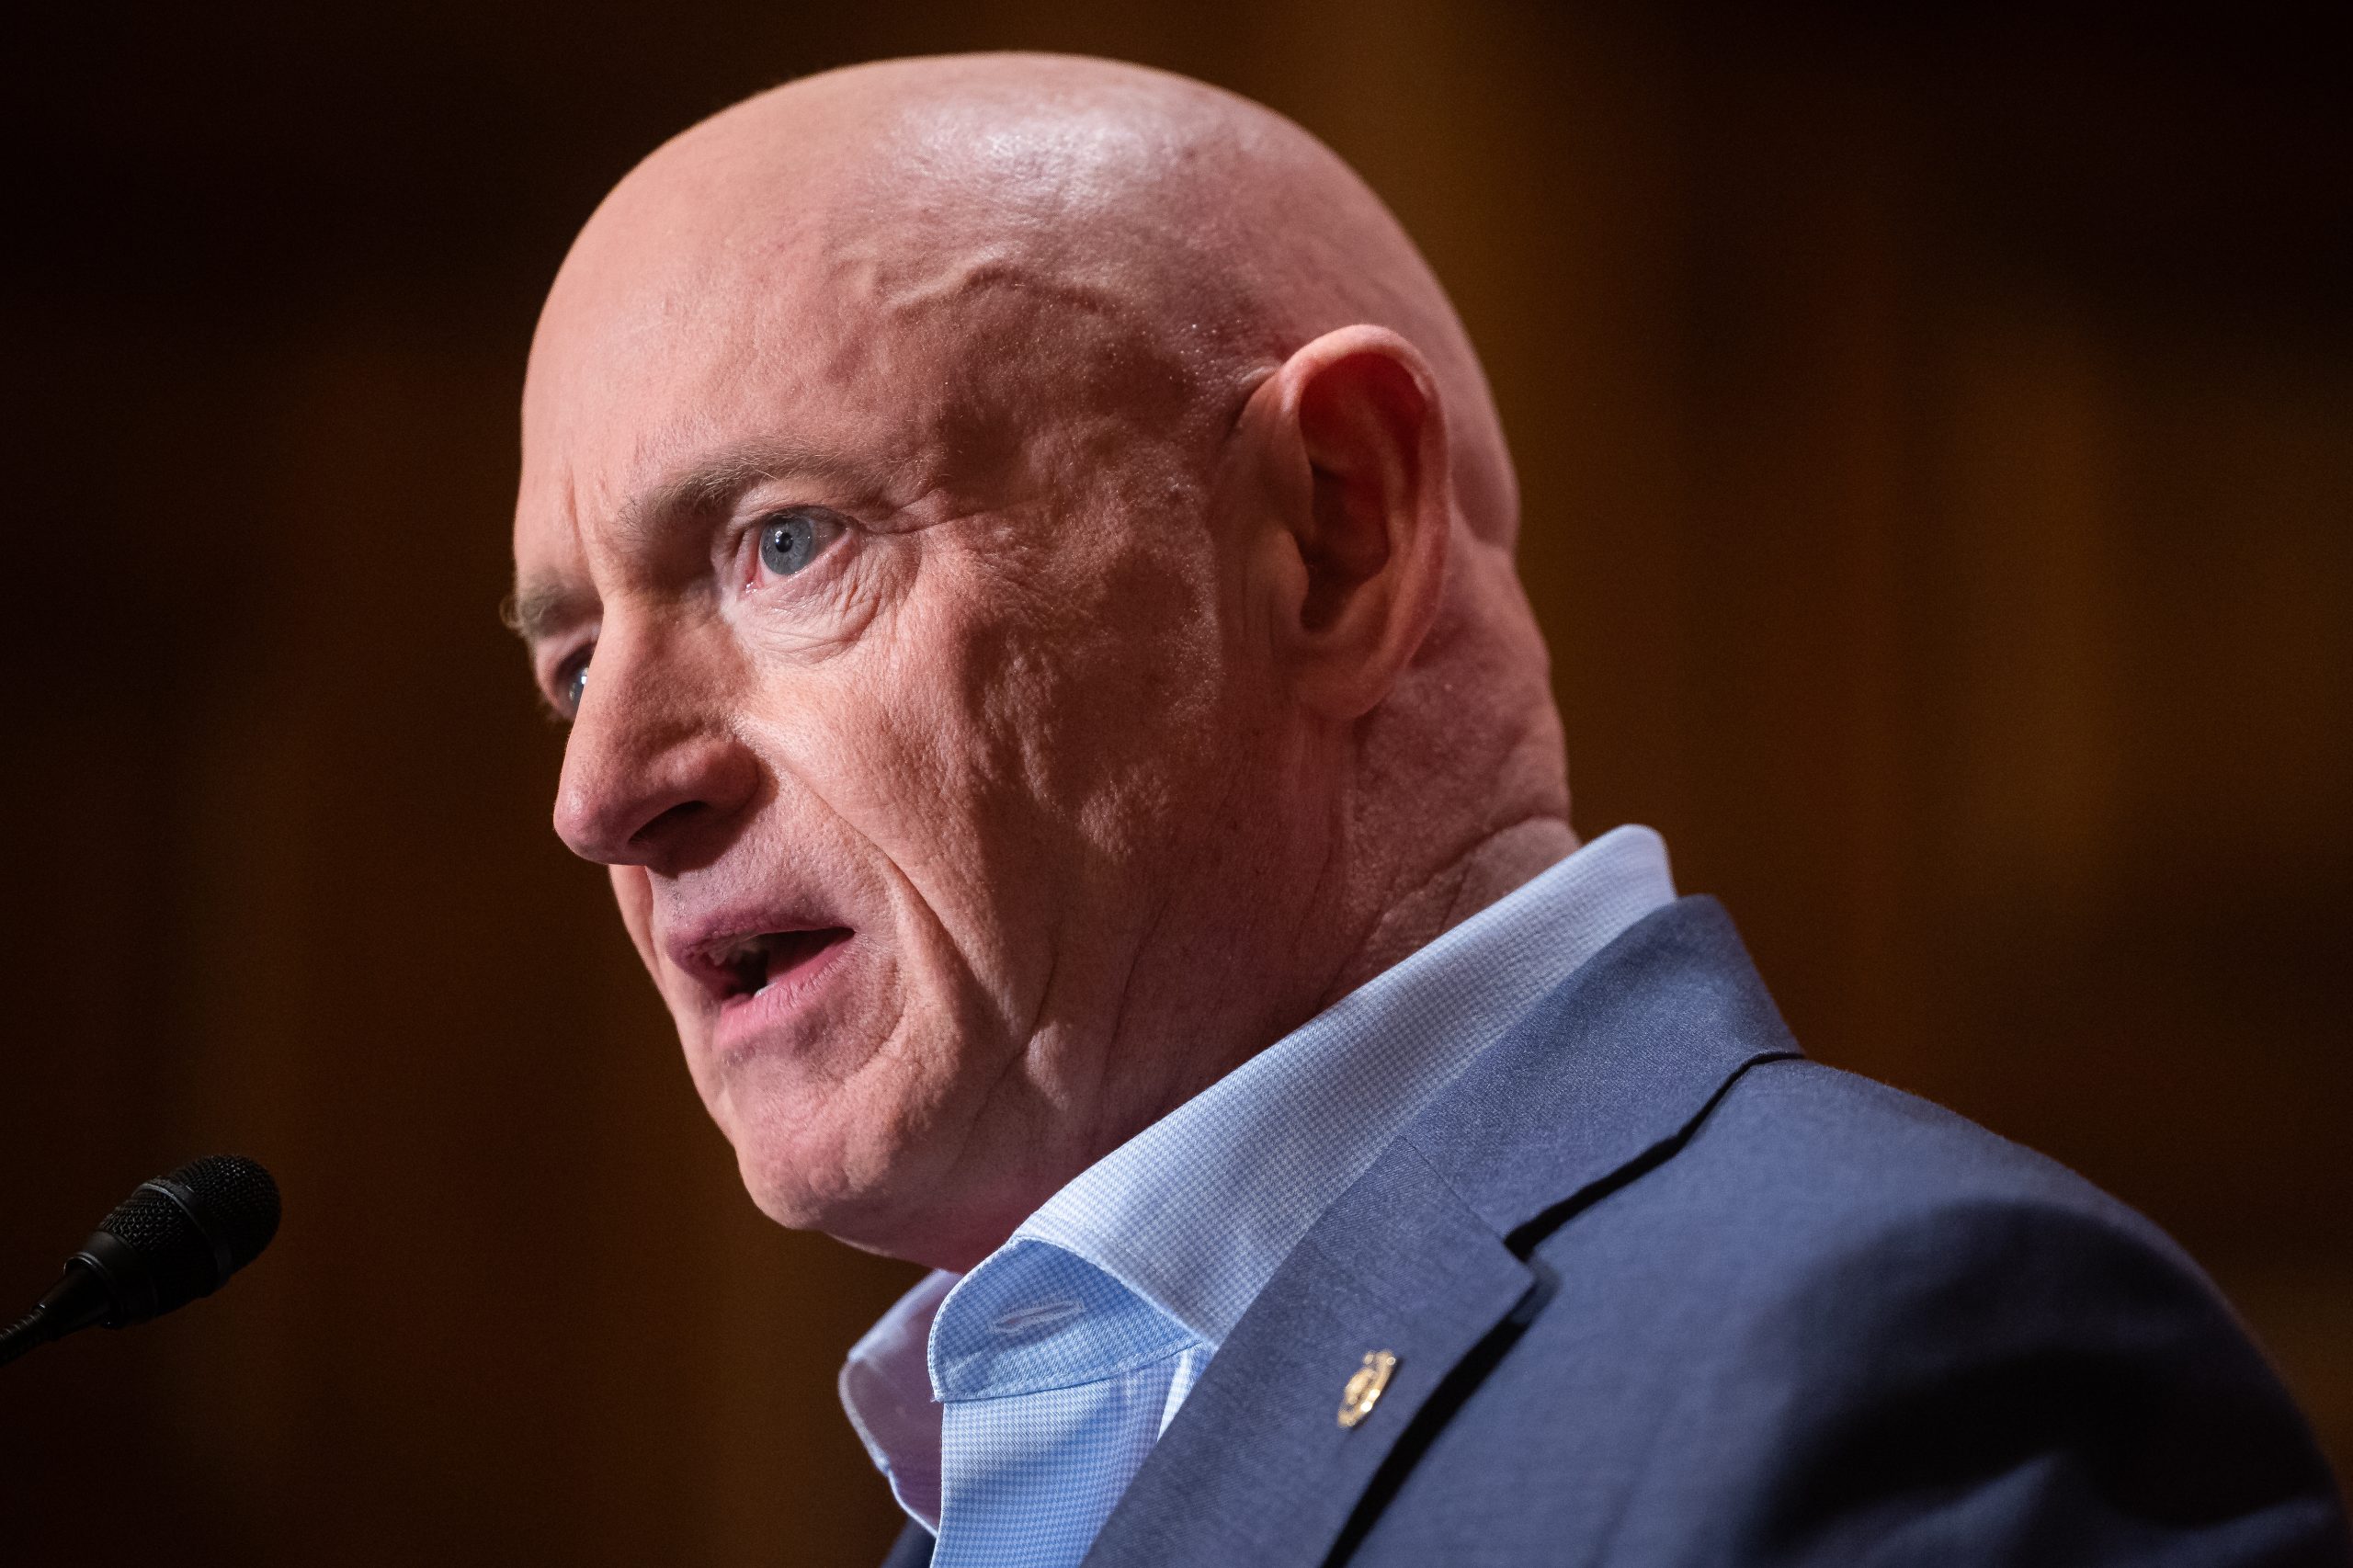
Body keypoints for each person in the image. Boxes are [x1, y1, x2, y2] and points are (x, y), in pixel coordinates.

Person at [506, 51, 2348, 1568]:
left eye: (786, 544)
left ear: (1333, 532)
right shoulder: (1007, 1449)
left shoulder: (1888, 1366)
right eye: (576, 662)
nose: (601, 795)